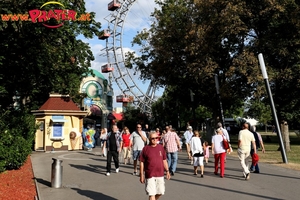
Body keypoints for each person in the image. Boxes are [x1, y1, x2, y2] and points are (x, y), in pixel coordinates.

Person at [139, 131, 171, 200]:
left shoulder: (161, 148)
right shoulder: (145, 149)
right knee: (151, 194)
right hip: (150, 174)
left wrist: (167, 171)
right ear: (149, 139)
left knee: (160, 192)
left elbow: (164, 160)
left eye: (156, 138)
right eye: (153, 138)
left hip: (160, 174)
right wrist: (141, 174)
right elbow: (141, 162)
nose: (155, 139)